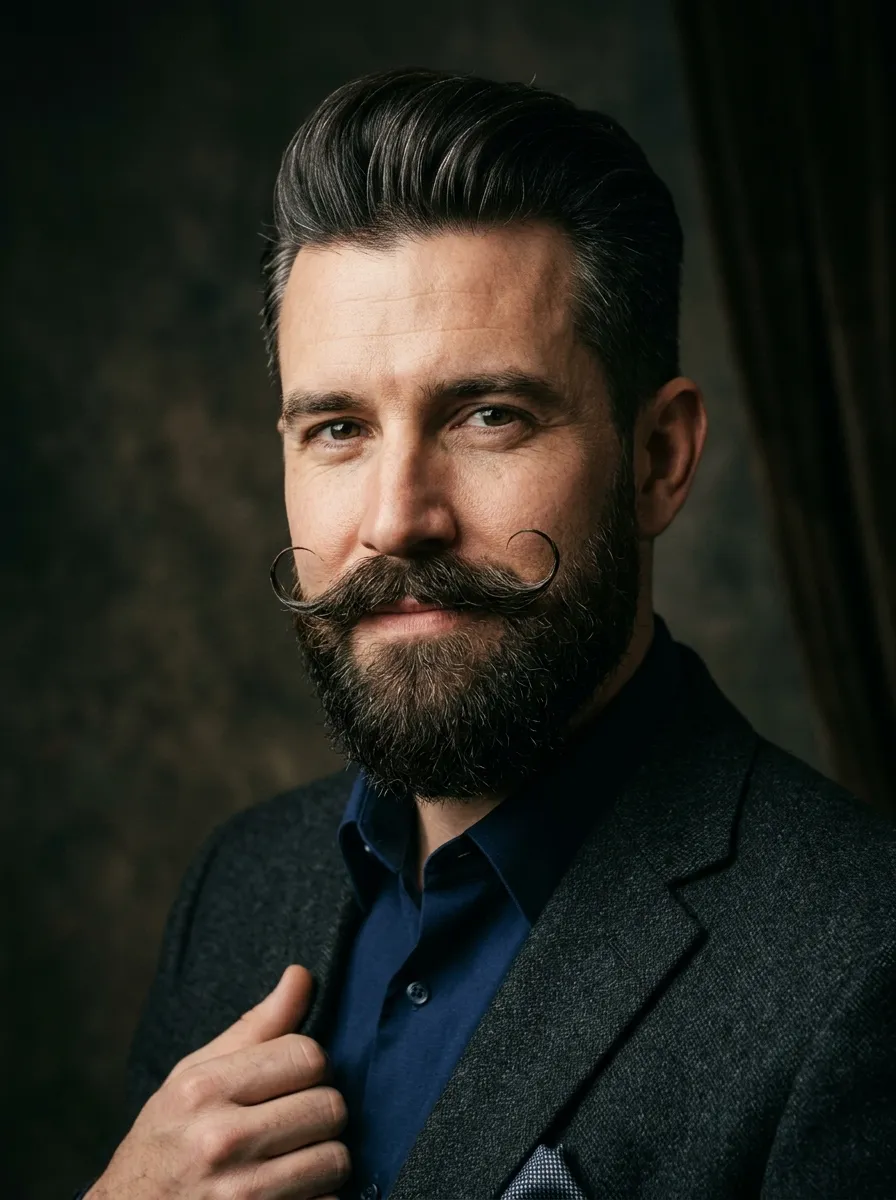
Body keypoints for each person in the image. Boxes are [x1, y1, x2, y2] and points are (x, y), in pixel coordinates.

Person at [78, 68, 896, 1200]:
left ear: (657, 458)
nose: (396, 518)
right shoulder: (236, 887)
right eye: (336, 428)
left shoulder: (857, 957)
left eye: (488, 416)